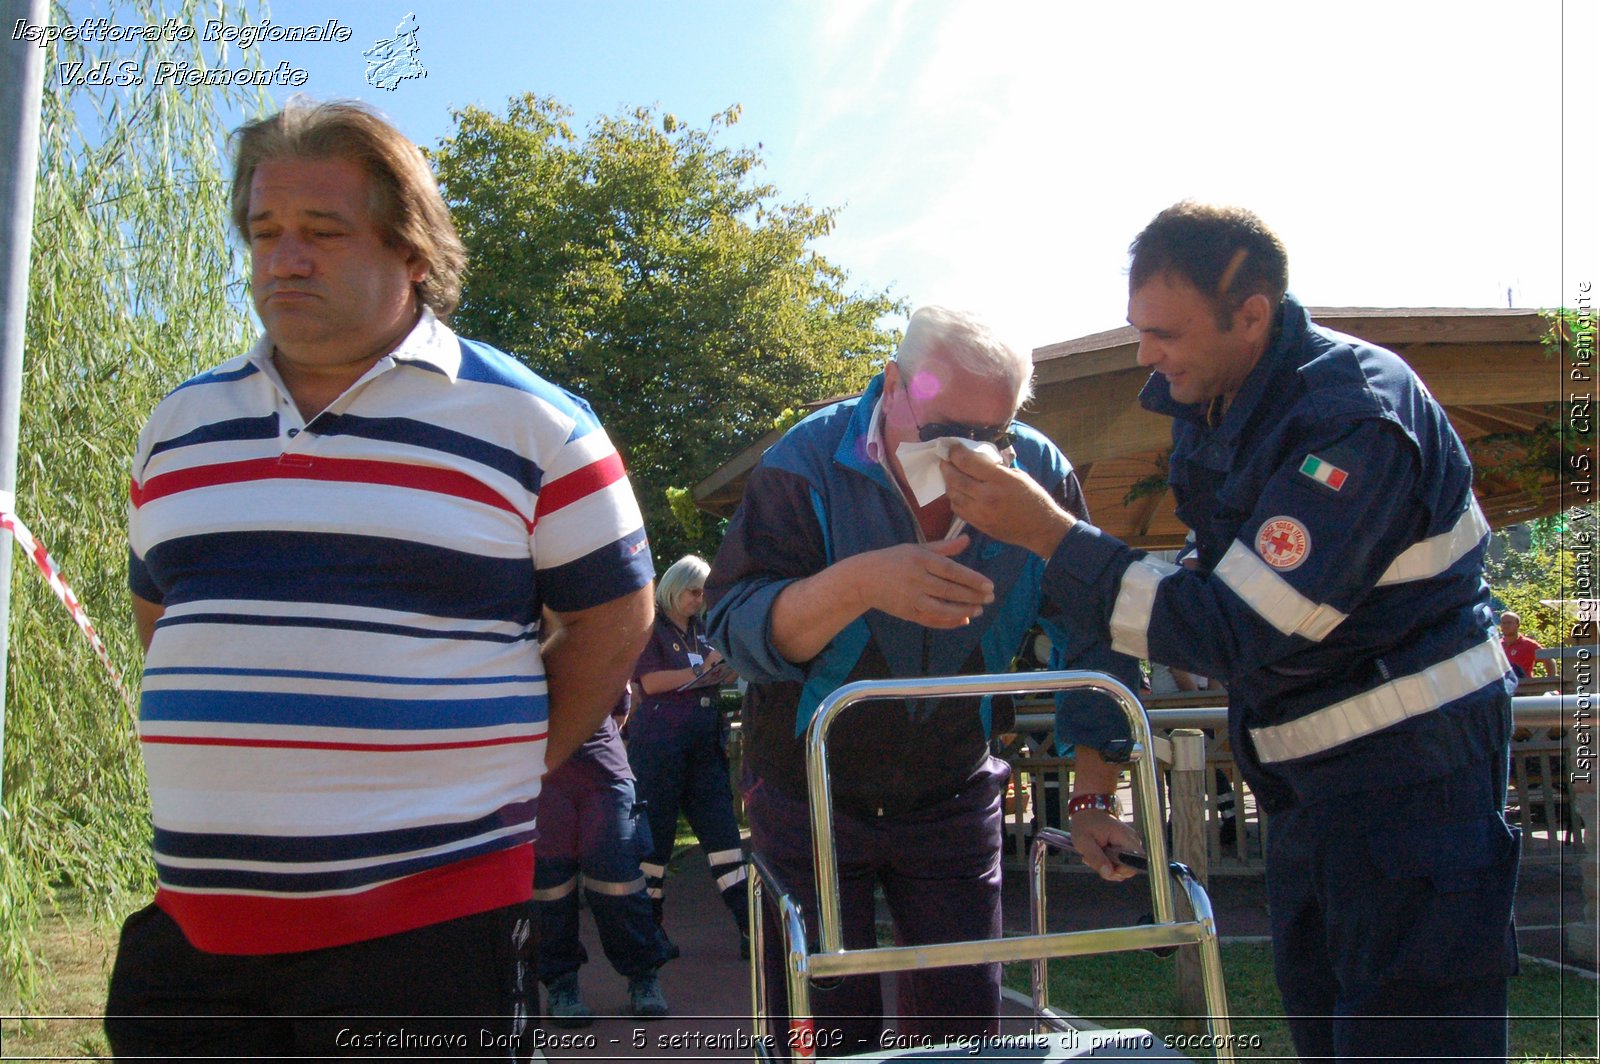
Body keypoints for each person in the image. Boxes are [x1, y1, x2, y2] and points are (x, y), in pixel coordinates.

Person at [108, 99, 655, 1060]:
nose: (284, 259)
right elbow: (169, 618)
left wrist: (507, 761)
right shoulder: (177, 428)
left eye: (323, 232)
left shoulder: (537, 426)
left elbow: (615, 621)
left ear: (413, 253)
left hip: (429, 937)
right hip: (194, 936)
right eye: (264, 232)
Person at [940, 201, 1517, 1062]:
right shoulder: (1230, 406)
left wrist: (1048, 535)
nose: (1146, 356)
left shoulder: (1349, 418)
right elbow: (1209, 590)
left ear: (1252, 314)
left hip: (1413, 791)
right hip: (1316, 796)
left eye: (1165, 333)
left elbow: (1237, 630)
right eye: (1138, 330)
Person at [705, 306, 1139, 1055]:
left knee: (963, 1032)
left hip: (953, 794)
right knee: (824, 1036)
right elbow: (735, 627)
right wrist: (861, 583)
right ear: (892, 383)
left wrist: (1097, 795)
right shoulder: (804, 462)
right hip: (806, 798)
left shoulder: (1038, 472)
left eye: (988, 436)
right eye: (942, 431)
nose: (965, 456)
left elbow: (1094, 634)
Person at [629, 555, 751, 956]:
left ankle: (751, 928)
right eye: (693, 592)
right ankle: (651, 935)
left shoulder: (702, 630)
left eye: (703, 593)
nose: (700, 600)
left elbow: (721, 670)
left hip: (703, 749)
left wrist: (724, 670)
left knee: (725, 837)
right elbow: (649, 681)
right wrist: (701, 675)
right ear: (672, 588)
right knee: (656, 843)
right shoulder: (652, 628)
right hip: (660, 750)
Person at [533, 682, 675, 1026]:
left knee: (619, 880)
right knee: (549, 887)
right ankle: (561, 983)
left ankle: (643, 975)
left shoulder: (598, 630)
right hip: (539, 773)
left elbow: (621, 706)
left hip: (603, 771)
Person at [1499, 609, 1545, 680]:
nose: (1506, 626)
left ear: (1518, 625)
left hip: (1525, 686)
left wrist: (1551, 681)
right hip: (1503, 686)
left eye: (1509, 623)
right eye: (1503, 623)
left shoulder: (1529, 644)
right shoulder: (1497, 645)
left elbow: (1548, 660)